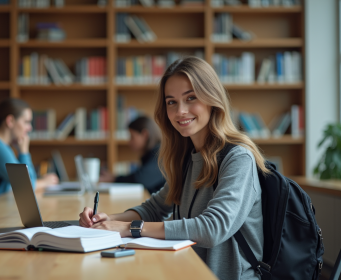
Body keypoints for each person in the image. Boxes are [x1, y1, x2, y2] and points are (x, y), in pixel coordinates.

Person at [79, 57, 270, 280]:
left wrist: (128, 228)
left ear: (212, 99)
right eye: (171, 102)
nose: (180, 111)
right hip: (186, 269)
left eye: (191, 98)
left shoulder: (238, 158)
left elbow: (213, 228)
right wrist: (106, 220)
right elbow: (155, 208)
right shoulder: (186, 157)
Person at [0, 98, 59, 207]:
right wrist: (24, 152)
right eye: (26, 122)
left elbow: (23, 183)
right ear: (10, 121)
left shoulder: (1, 145)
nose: (30, 128)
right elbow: (25, 186)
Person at [98, 116, 165, 194]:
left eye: (132, 137)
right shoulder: (151, 154)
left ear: (145, 134)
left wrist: (114, 179)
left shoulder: (160, 154)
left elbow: (141, 179)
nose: (129, 142)